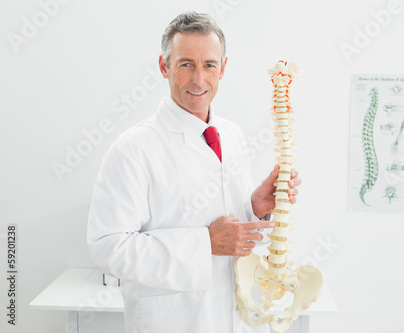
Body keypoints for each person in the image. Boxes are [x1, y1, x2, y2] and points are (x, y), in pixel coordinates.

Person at [87, 11, 301, 333]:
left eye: (209, 65)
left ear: (223, 69)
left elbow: (229, 227)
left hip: (234, 319)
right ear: (164, 67)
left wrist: (255, 208)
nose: (199, 79)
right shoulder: (131, 150)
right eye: (186, 63)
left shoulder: (232, 136)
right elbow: (107, 247)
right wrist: (203, 244)